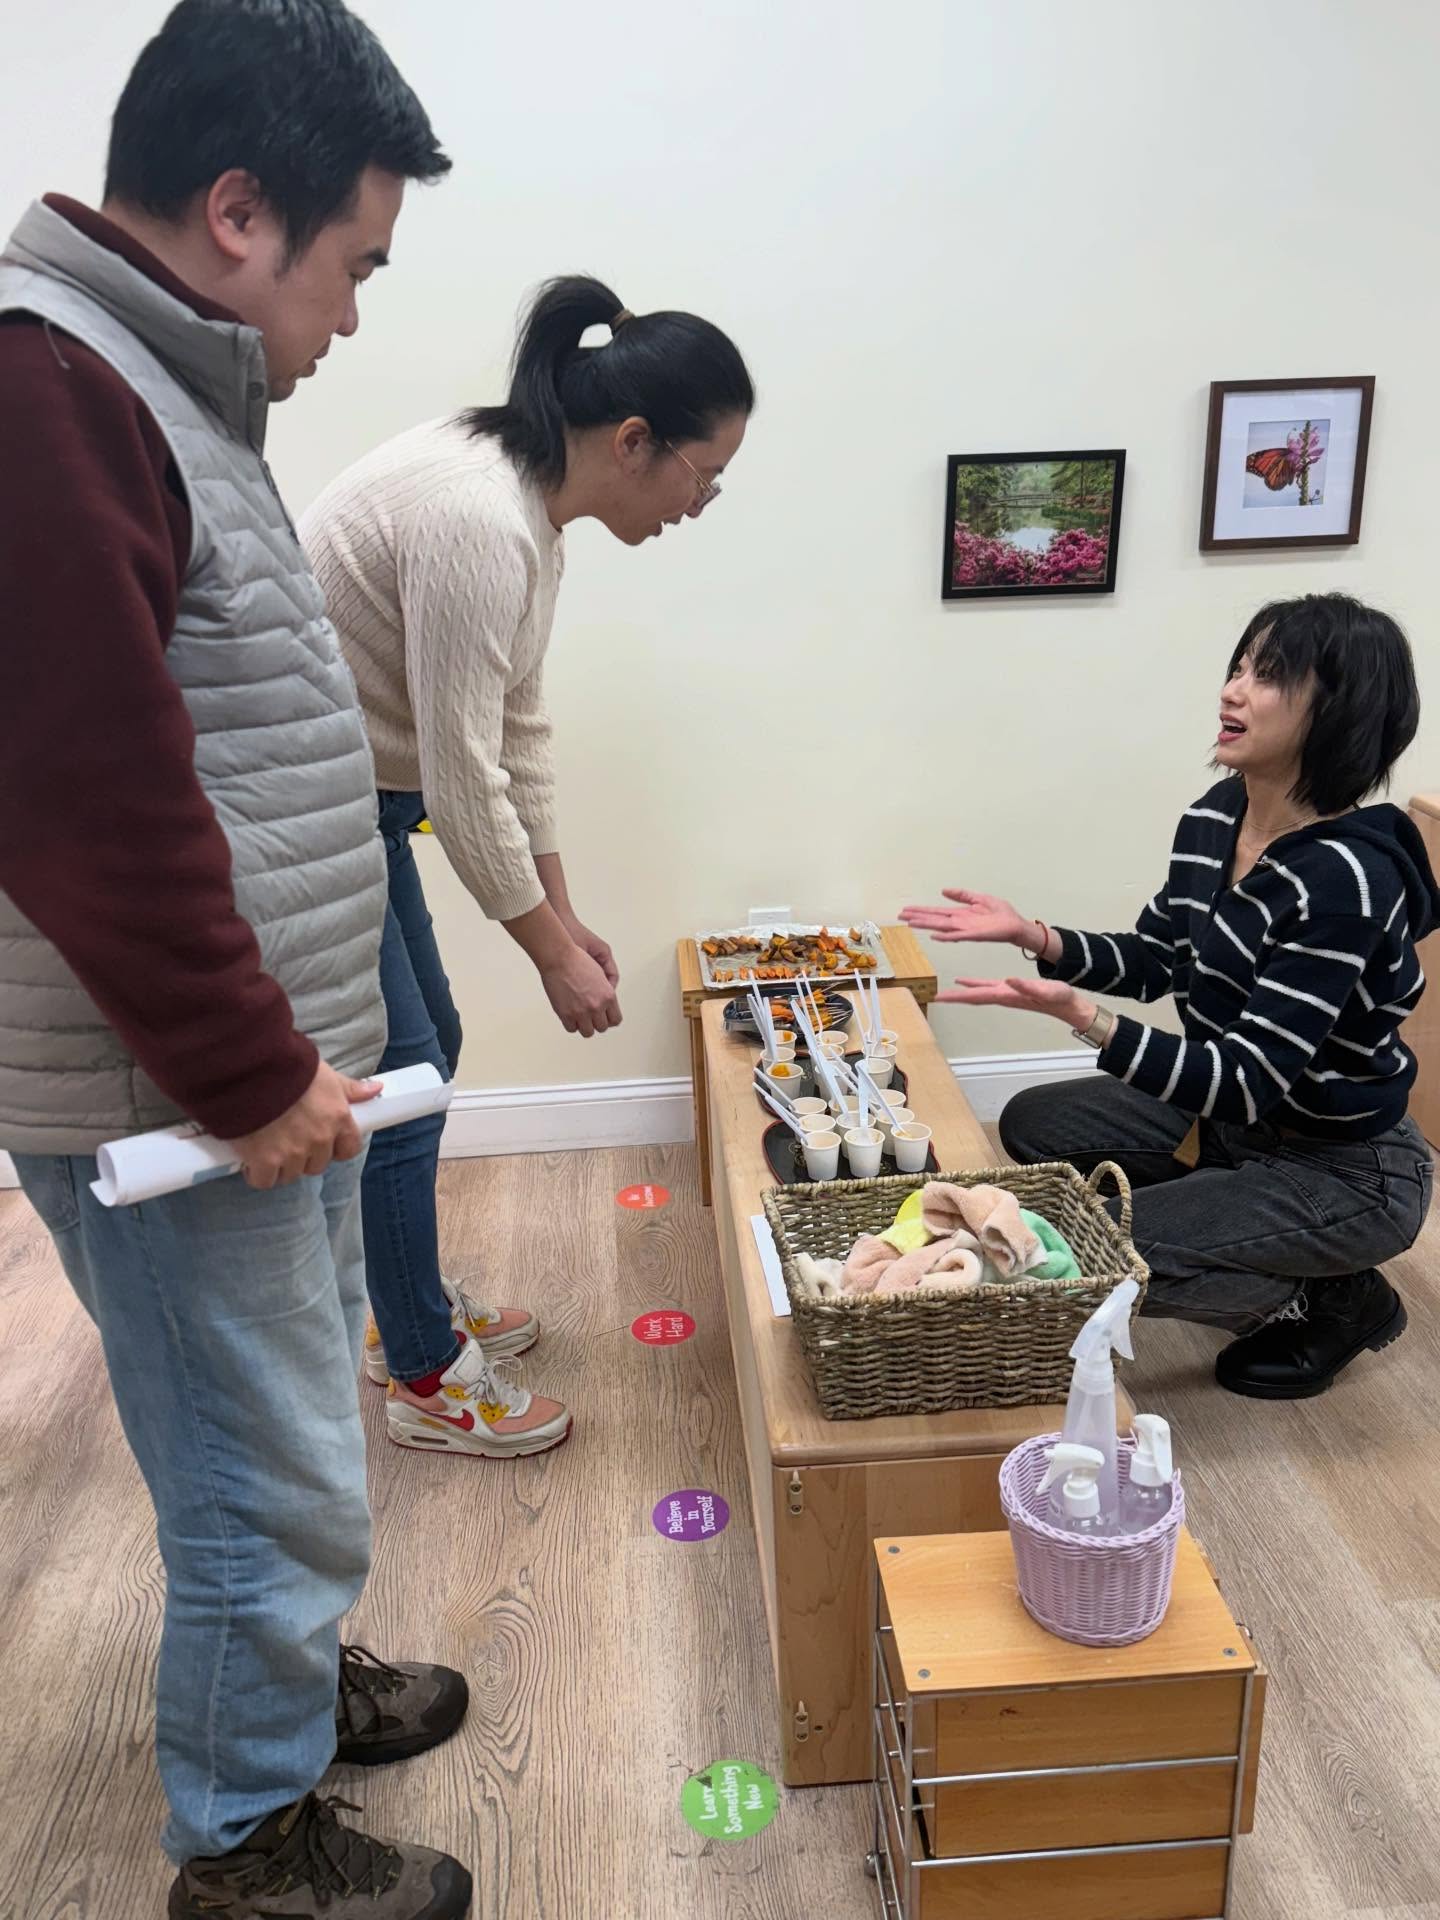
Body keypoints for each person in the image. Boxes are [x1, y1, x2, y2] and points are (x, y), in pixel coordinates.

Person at [0, 5, 476, 1915]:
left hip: (206, 1075)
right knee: (252, 1474)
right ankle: (244, 1846)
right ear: (233, 213)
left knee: (258, 1437)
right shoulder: (59, 387)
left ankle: (277, 1698)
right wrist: (248, 1068)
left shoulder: (147, 384)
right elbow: (84, 784)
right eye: (355, 264)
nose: (354, 314)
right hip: (168, 1094)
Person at [300, 276, 754, 1456]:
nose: (706, 505)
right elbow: (462, 781)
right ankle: (423, 1373)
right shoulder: (479, 521)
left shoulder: (531, 514)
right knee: (403, 1071)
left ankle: (401, 1310)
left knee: (424, 1050)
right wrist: (552, 957)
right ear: (635, 441)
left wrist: (564, 912)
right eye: (705, 477)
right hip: (311, 800)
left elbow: (518, 734)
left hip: (367, 794)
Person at [903, 593, 1436, 1399]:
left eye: (1270, 676)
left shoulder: (1344, 880)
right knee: (1032, 1122)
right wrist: (1037, 936)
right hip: (1231, 1127)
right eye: (1239, 667)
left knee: (1091, 1250)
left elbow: (1248, 1076)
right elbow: (1156, 959)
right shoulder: (1214, 818)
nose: (1232, 690)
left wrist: (1084, 1017)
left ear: (1340, 713)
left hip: (1347, 1166)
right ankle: (1230, 1227)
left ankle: (1330, 1296)